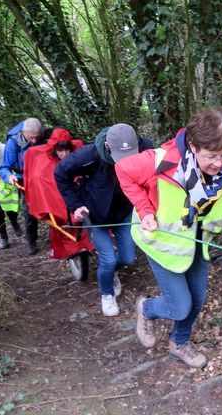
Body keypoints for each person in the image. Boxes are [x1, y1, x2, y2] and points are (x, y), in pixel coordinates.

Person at [115, 106, 222, 369]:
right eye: (211, 157)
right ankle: (146, 309)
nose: (218, 163)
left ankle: (179, 343)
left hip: (197, 242)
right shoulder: (160, 161)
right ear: (193, 146)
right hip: (161, 243)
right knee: (180, 306)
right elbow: (124, 170)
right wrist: (145, 209)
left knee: (197, 300)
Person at [55, 123, 153, 317]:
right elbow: (60, 174)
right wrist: (76, 205)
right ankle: (106, 294)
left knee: (127, 258)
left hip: (124, 211)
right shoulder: (88, 155)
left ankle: (109, 273)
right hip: (96, 215)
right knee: (108, 259)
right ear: (108, 147)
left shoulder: (146, 148)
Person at [24, 128, 94, 261]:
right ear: (54, 149)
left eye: (66, 150)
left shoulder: (78, 154)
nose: (64, 154)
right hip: (58, 201)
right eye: (60, 150)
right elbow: (40, 178)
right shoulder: (44, 161)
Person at [0, 118, 43, 255]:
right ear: (23, 132)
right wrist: (9, 176)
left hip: (42, 178)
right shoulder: (13, 142)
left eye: (37, 137)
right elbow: (4, 167)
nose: (34, 141)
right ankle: (31, 240)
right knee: (29, 211)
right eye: (31, 138)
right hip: (23, 179)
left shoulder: (43, 137)